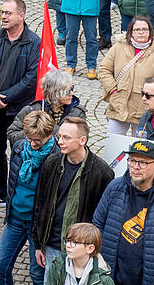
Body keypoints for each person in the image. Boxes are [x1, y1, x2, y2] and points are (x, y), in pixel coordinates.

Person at [0, 0, 41, 210]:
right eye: (2, 12)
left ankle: (21, 195)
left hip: (19, 111)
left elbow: (31, 78)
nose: (3, 16)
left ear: (21, 16)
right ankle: (0, 192)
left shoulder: (34, 43)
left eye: (8, 13)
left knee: (21, 153)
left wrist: (6, 97)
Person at [31, 117, 113, 277]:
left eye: (66, 137)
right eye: (59, 136)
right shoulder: (51, 163)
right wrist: (38, 244)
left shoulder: (102, 172)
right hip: (52, 245)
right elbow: (40, 204)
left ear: (82, 140)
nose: (60, 141)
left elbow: (103, 219)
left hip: (81, 252)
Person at [93, 139, 154, 285]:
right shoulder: (115, 187)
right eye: (133, 161)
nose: (136, 167)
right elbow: (98, 223)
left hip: (150, 276)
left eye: (143, 163)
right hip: (111, 274)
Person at [0, 110, 55, 285]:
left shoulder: (56, 157)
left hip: (38, 225)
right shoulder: (20, 147)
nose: (33, 144)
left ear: (49, 135)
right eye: (30, 138)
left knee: (37, 274)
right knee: (0, 266)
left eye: (38, 141)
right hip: (16, 219)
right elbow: (12, 182)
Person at [98, 17, 154, 135]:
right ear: (131, 31)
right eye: (137, 29)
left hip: (144, 109)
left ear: (150, 32)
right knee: (113, 144)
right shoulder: (119, 47)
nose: (141, 32)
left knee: (140, 147)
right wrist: (112, 89)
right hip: (119, 105)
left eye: (144, 29)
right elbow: (104, 69)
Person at [8, 69, 86, 145]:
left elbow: (83, 139)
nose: (72, 93)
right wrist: (33, 135)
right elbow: (12, 134)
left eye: (72, 89)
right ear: (54, 93)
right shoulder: (31, 110)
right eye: (68, 91)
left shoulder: (77, 112)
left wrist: (50, 129)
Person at [43, 223, 114, 285]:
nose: (68, 245)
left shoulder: (103, 277)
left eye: (74, 242)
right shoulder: (57, 265)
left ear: (90, 249)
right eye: (67, 241)